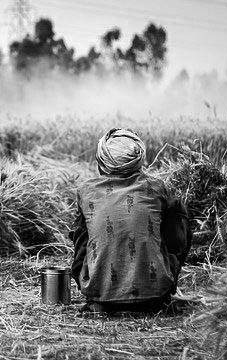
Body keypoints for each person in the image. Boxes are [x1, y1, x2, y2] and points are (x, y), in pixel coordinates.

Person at [70, 128, 192, 313]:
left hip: (101, 298)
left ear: (101, 162)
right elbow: (179, 235)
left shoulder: (86, 192)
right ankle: (158, 283)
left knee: (82, 230)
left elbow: (80, 245)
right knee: (178, 218)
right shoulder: (156, 188)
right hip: (155, 298)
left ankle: (98, 287)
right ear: (139, 162)